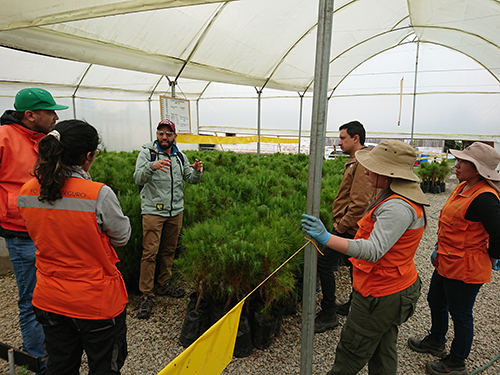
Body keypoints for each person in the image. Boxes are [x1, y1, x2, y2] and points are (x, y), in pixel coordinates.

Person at [302, 140, 429, 375]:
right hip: (394, 287)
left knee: (351, 352)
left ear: (390, 174)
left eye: (374, 167)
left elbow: (372, 250)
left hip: (380, 293)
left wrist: (326, 237)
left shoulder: (397, 207)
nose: (367, 171)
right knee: (383, 349)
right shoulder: (395, 196)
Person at [17, 120, 131, 374]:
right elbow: (122, 237)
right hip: (96, 302)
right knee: (104, 366)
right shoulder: (97, 194)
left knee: (60, 365)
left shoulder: (26, 191)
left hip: (49, 297)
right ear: (88, 156)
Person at [409, 142, 500, 375]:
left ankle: (456, 362)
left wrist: (492, 255)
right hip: (447, 260)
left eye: (463, 162)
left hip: (466, 268)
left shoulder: (485, 198)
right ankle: (436, 340)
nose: (456, 165)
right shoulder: (463, 187)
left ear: (478, 169)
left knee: (460, 314)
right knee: (436, 299)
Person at [0, 88, 68, 371]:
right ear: (30, 115)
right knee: (31, 299)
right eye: (49, 112)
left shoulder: (41, 139)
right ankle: (37, 360)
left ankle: (52, 350)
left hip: (45, 227)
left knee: (50, 292)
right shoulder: (3, 138)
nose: (55, 117)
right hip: (20, 230)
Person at [134, 119, 203, 319]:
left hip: (175, 212)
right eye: (161, 133)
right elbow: (137, 178)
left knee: (169, 250)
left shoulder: (180, 156)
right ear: (157, 134)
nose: (164, 137)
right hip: (153, 212)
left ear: (174, 136)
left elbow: (190, 178)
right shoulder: (147, 154)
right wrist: (152, 166)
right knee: (150, 253)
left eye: (168, 134)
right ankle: (146, 295)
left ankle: (163, 284)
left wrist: (198, 172)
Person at [315, 120, 374, 333]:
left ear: (355, 138)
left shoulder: (362, 161)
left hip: (349, 228)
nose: (338, 142)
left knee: (324, 263)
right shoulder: (356, 160)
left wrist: (341, 226)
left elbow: (360, 202)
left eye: (342, 138)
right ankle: (353, 303)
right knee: (353, 265)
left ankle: (329, 312)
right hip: (350, 227)